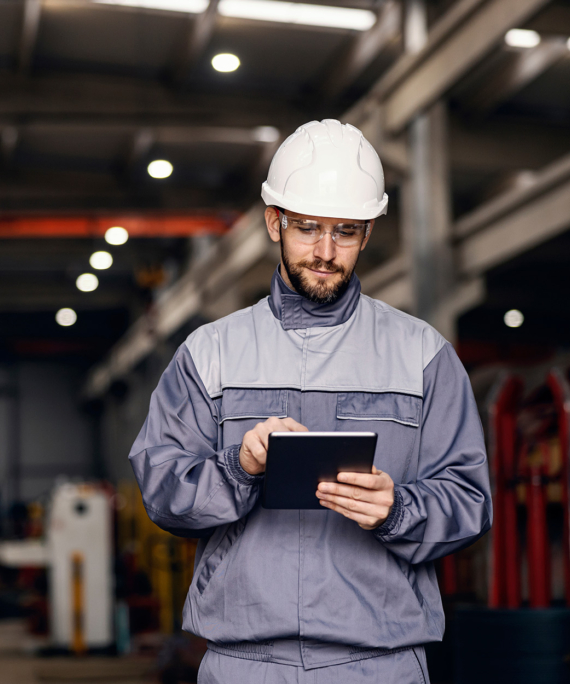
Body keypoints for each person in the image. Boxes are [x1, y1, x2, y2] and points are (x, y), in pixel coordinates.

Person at [129, 120, 492, 683]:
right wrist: (239, 467)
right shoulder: (211, 354)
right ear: (274, 221)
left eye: (345, 231)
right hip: (243, 663)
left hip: (380, 662)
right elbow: (163, 490)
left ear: (368, 232)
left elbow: (468, 500)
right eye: (307, 229)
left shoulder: (423, 356)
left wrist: (398, 510)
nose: (325, 252)